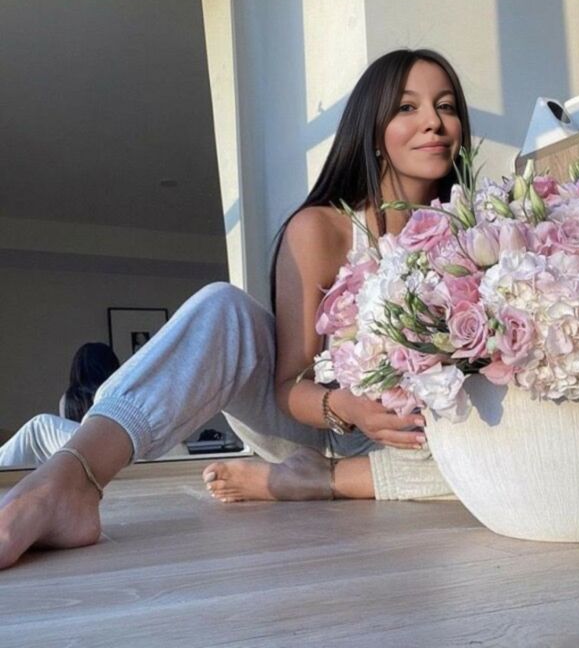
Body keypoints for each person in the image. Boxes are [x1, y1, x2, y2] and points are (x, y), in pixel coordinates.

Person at [0, 48, 469, 569]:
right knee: (226, 308)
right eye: (407, 107)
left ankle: (317, 481)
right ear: (373, 128)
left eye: (446, 106)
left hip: (430, 445)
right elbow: (289, 385)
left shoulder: (475, 236)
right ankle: (67, 483)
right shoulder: (322, 229)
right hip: (326, 428)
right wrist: (348, 407)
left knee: (499, 451)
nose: (433, 121)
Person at [0, 343, 120, 468]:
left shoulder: (71, 399)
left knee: (37, 427)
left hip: (96, 449)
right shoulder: (113, 394)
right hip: (102, 448)